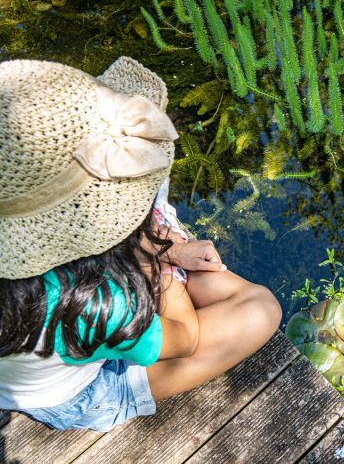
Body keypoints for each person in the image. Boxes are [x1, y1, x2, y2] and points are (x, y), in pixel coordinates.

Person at [0, 57, 282, 432]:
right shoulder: (98, 302)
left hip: (29, 358)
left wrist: (167, 248)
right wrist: (159, 266)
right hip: (73, 393)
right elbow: (186, 338)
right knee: (260, 311)